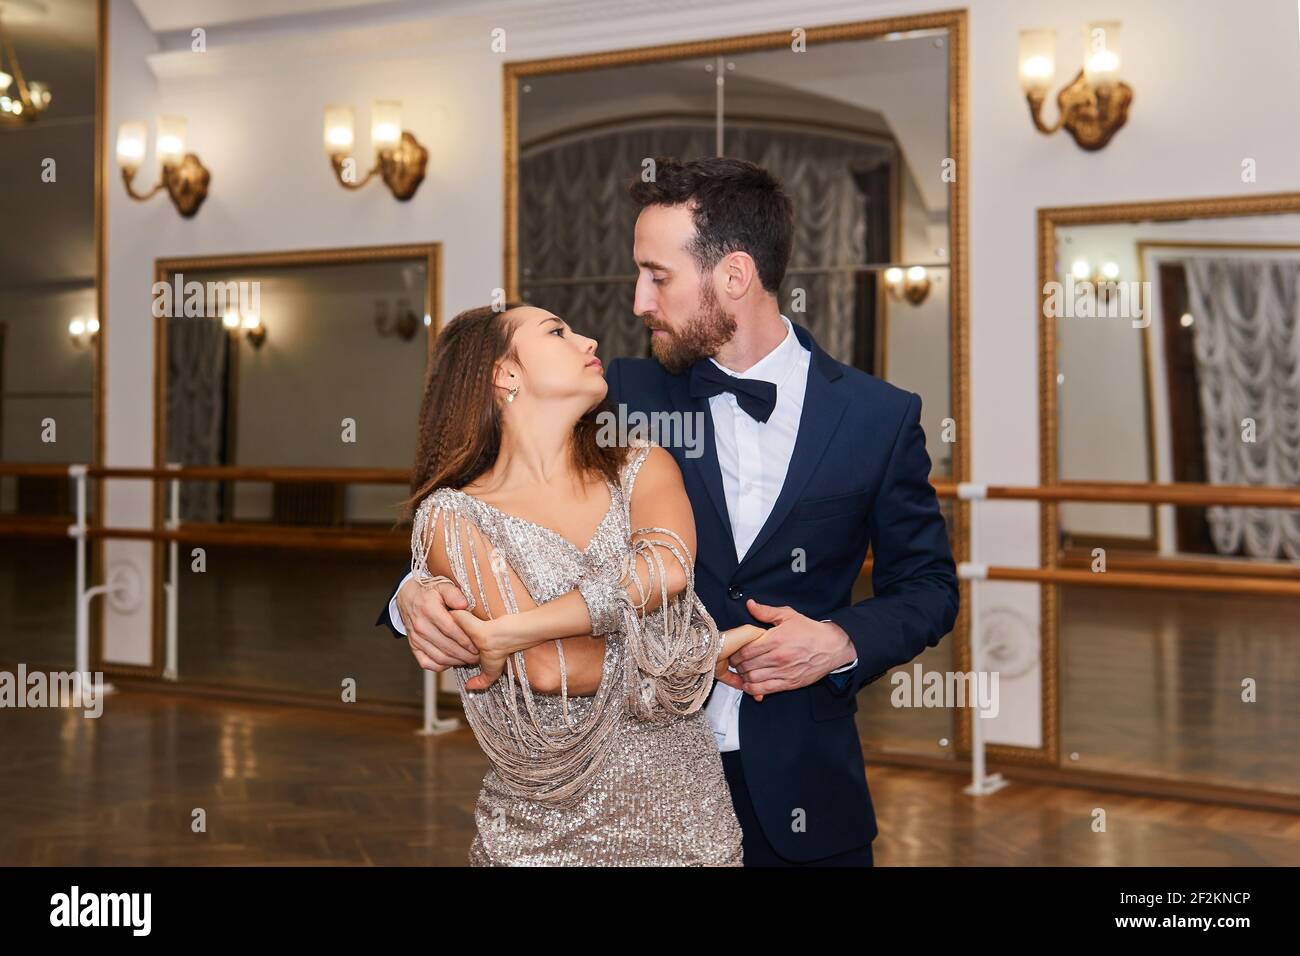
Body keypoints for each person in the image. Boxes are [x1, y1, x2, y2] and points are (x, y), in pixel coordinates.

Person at [381, 156, 959, 866]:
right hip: (610, 790)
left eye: (657, 276)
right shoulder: (614, 393)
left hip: (804, 785)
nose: (637, 302)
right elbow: (478, 491)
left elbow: (929, 589)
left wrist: (839, 642)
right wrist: (412, 594)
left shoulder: (879, 417)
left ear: (734, 277)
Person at [401, 301, 765, 865]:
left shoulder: (644, 465)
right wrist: (696, 654)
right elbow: (551, 669)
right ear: (506, 373)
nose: (589, 340)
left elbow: (667, 569)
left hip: (688, 822)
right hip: (540, 833)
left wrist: (515, 630)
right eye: (557, 332)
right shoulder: (452, 515)